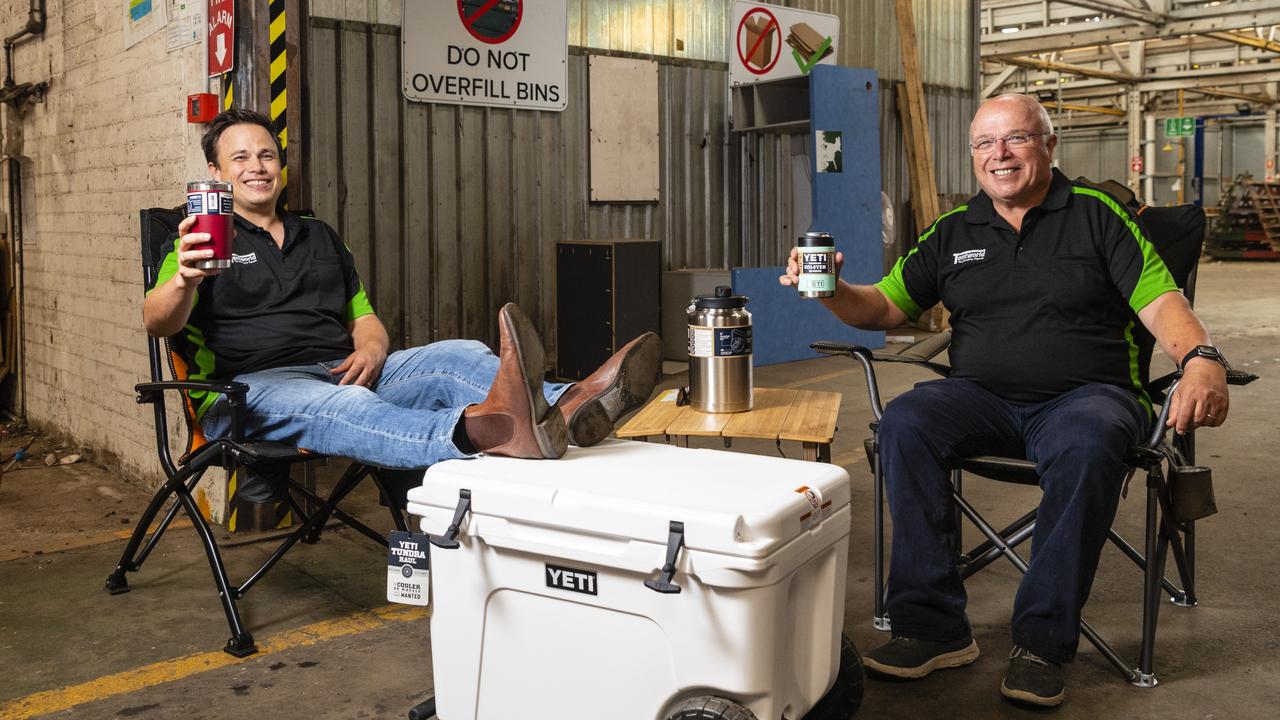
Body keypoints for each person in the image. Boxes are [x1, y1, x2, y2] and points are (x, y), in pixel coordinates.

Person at [780, 93, 1230, 707]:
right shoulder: (953, 230)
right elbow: (885, 306)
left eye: (1016, 138)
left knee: (1088, 438)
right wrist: (830, 289)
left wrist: (1200, 360)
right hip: (981, 396)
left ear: (1048, 146)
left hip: (1088, 397)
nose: (1000, 154)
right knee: (906, 422)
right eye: (985, 143)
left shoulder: (1098, 214)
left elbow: (1162, 304)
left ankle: (1042, 643)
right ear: (972, 156)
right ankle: (933, 628)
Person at [144, 109, 661, 483]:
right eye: (240, 158)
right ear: (215, 173)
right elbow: (157, 321)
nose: (257, 166)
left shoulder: (319, 235)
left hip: (342, 367)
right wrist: (185, 280)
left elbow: (364, 318)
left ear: (281, 166)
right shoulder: (195, 237)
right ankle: (483, 432)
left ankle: (567, 407)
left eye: (267, 154)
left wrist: (371, 349)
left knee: (457, 354)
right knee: (342, 403)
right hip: (248, 391)